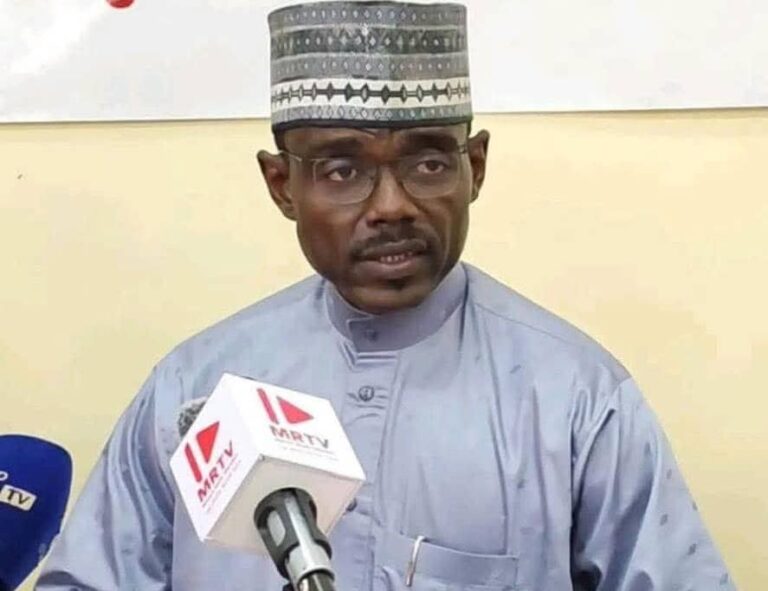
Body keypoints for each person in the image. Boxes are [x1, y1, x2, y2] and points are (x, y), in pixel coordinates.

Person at [37, 2, 734, 590]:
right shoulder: (193, 390)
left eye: (428, 162)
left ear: (475, 168)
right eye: (342, 171)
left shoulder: (576, 399)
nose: (392, 205)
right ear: (282, 186)